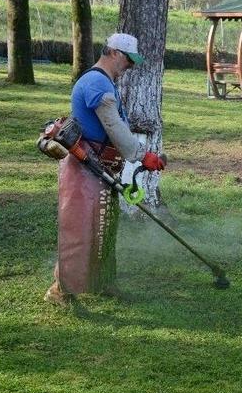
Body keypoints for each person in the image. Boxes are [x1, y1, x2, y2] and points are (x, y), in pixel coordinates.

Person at [45, 33, 166, 305]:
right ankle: (59, 290)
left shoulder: (104, 82)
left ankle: (103, 282)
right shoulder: (96, 83)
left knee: (103, 229)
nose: (130, 66)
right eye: (128, 60)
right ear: (114, 53)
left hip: (101, 166)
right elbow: (113, 125)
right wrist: (141, 155)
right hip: (84, 166)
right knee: (80, 230)